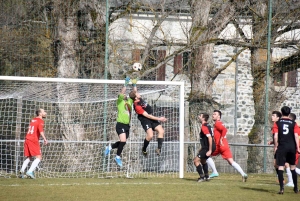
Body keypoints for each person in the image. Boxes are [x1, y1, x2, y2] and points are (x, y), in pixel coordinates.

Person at [104, 77, 137, 167]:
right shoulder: (120, 102)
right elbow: (122, 93)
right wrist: (125, 84)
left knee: (123, 142)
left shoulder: (129, 101)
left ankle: (109, 147)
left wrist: (134, 85)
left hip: (127, 126)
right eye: (123, 95)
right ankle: (117, 157)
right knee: (123, 140)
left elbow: (135, 94)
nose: (125, 95)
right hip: (120, 124)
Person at [209, 110, 248, 182]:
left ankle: (215, 172)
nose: (213, 115)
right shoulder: (219, 123)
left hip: (219, 146)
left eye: (215, 114)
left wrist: (221, 139)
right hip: (225, 145)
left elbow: (224, 130)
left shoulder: (217, 123)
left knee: (207, 155)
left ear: (219, 116)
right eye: (213, 114)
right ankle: (243, 174)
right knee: (231, 161)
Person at [129, 88, 167, 157]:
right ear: (135, 97)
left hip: (150, 117)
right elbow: (147, 116)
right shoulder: (137, 106)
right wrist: (159, 119)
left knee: (161, 130)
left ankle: (158, 149)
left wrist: (134, 84)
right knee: (150, 135)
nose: (138, 93)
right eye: (137, 93)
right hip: (145, 120)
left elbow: (135, 90)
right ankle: (144, 149)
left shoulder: (139, 98)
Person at [273, 106, 300, 194]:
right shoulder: (293, 123)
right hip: (292, 147)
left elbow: (276, 136)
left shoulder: (277, 123)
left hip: (282, 147)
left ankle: (281, 189)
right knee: (293, 168)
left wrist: (276, 146)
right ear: (289, 113)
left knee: (281, 167)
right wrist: (298, 147)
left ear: (281, 112)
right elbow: (296, 136)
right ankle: (296, 188)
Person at [19, 108, 48, 179]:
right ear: (40, 113)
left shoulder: (33, 119)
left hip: (27, 139)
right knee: (39, 157)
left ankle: (22, 170)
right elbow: (41, 131)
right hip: (33, 140)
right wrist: (45, 139)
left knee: (29, 157)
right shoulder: (40, 120)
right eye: (44, 111)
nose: (45, 113)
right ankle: (30, 171)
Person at [194, 113, 216, 182]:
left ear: (203, 118)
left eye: (200, 116)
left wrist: (209, 150)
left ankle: (202, 177)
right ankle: (207, 176)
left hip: (208, 147)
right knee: (203, 160)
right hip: (208, 146)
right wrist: (202, 148)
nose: (198, 117)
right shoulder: (208, 125)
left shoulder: (204, 127)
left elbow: (209, 138)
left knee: (196, 161)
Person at [281, 112, 300, 187]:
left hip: (295, 149)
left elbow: (296, 138)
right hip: (292, 148)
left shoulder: (295, 128)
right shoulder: (293, 127)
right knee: (287, 164)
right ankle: (290, 181)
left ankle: (291, 182)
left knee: (291, 165)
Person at [267, 111, 282, 184]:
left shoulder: (277, 125)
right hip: (280, 145)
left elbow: (278, 137)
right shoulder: (277, 125)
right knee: (277, 164)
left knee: (283, 164)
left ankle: (281, 179)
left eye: (273, 115)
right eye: (272, 115)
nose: (272, 117)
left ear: (278, 117)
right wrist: (272, 142)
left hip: (280, 147)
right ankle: (280, 179)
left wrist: (276, 146)